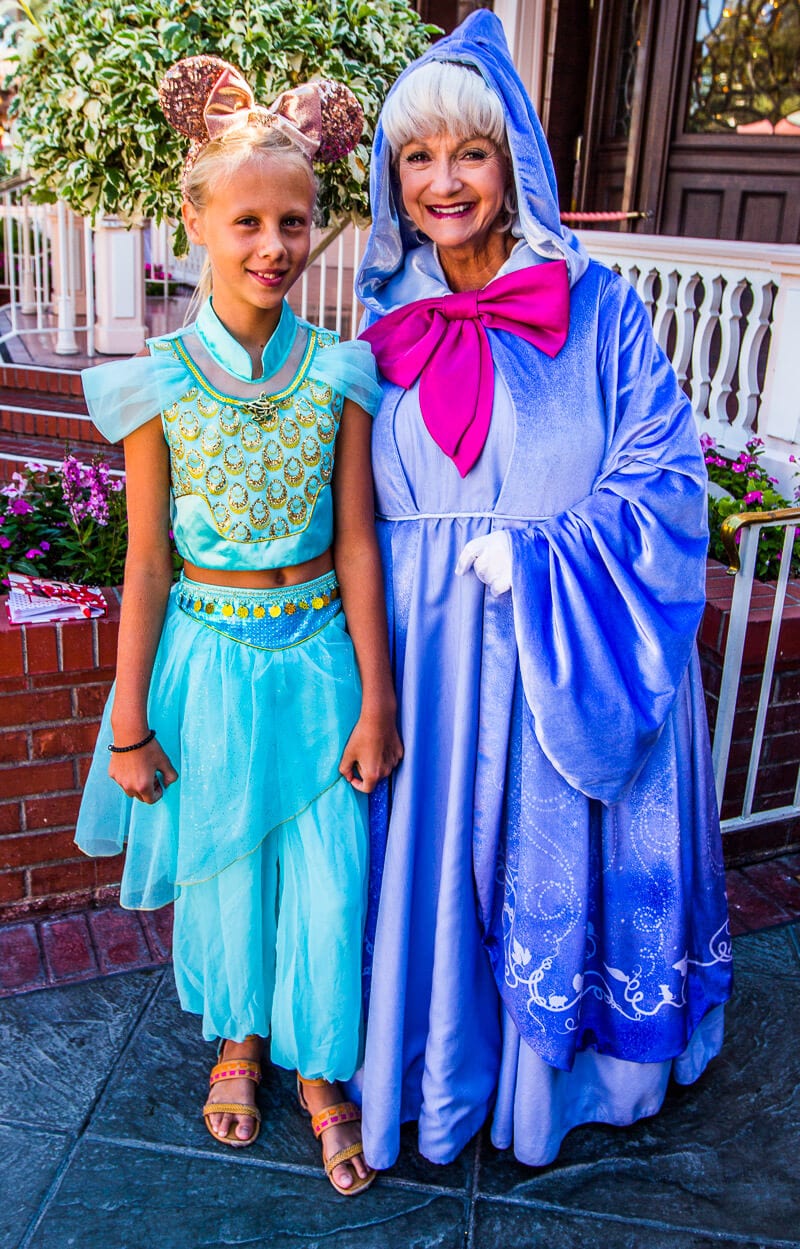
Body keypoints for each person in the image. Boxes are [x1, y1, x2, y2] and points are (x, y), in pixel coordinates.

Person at [353, 10, 733, 1171]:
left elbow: (669, 472)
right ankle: (433, 1064)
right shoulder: (379, 317)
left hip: (557, 644)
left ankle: (551, 1080)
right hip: (427, 661)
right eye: (416, 157)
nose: (442, 181)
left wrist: (543, 554)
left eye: (468, 151)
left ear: (512, 157)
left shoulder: (596, 300)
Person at [74, 55, 401, 1196]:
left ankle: (320, 1069)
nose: (275, 244)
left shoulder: (340, 373)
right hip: (205, 668)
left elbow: (357, 542)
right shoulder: (158, 381)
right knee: (229, 873)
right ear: (197, 225)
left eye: (296, 220)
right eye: (249, 220)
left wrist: (378, 694)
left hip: (315, 664)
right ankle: (240, 1042)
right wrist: (127, 721)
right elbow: (148, 560)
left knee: (324, 874)